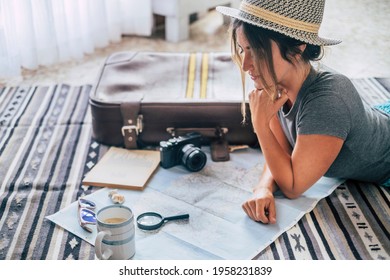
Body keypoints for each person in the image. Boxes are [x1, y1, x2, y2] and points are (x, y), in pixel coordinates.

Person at [216, 0, 390, 224]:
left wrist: (261, 126)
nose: (245, 64)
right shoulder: (274, 79)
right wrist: (263, 188)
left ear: (298, 48)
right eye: (242, 49)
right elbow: (282, 152)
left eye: (256, 51)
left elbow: (293, 186)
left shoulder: (328, 101)